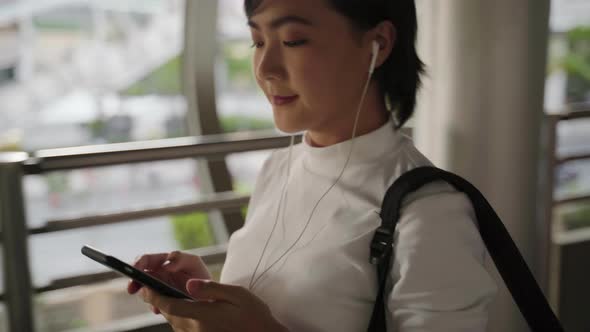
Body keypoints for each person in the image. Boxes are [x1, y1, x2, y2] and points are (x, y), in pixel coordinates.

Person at [128, 0, 498, 331]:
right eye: (257, 42)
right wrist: (202, 298)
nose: (266, 68)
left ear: (378, 44)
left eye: (292, 41)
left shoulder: (429, 210)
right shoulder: (278, 168)